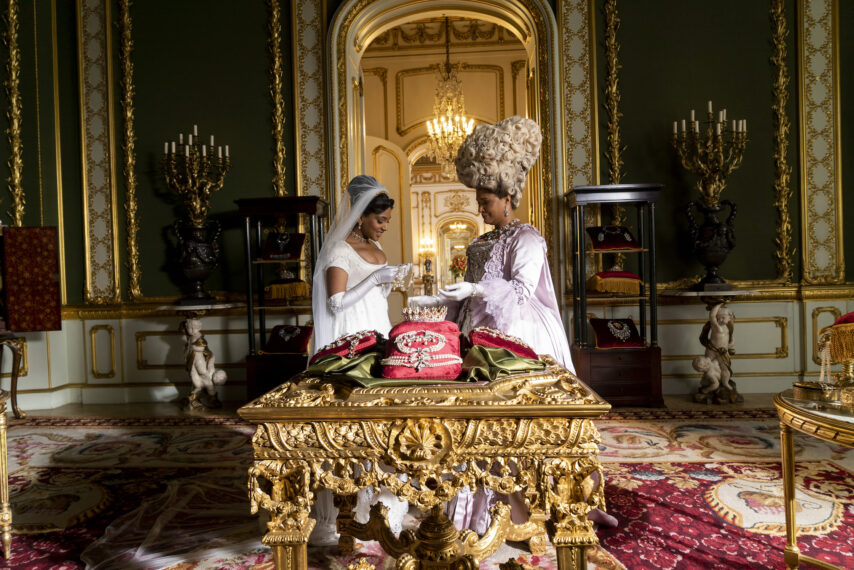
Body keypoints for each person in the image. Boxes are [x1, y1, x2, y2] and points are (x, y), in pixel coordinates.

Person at [412, 116, 573, 372]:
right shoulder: (480, 241)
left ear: (507, 198)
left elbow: (521, 292)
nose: (480, 210)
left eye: (485, 202)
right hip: (472, 323)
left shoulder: (525, 237)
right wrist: (433, 303)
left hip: (515, 326)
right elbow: (464, 294)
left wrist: (476, 290)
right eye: (479, 202)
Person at [309, 174, 410, 545]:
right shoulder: (338, 251)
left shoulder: (374, 247)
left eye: (386, 221)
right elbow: (337, 302)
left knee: (384, 421)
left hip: (377, 331)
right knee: (349, 424)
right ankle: (336, 513)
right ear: (361, 215)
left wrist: (392, 278)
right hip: (348, 338)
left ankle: (382, 503)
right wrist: (375, 279)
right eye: (379, 220)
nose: (384, 227)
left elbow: (375, 294)